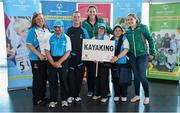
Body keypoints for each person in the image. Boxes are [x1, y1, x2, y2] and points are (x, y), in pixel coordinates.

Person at [82, 5, 113, 97]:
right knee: (91, 72)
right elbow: (83, 35)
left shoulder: (101, 21)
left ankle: (106, 90)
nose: (92, 13)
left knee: (103, 73)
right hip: (91, 50)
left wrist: (118, 32)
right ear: (88, 12)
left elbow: (109, 29)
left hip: (102, 50)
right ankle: (91, 89)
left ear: (96, 12)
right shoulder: (84, 23)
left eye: (93, 11)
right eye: (90, 11)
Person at [125, 13, 156, 105]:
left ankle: (147, 96)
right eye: (128, 20)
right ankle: (137, 95)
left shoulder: (143, 27)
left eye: (131, 19)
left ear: (136, 19)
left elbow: (150, 39)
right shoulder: (127, 31)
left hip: (142, 55)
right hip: (132, 56)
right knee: (136, 76)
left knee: (142, 76)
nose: (130, 21)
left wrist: (152, 52)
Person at [45, 20, 71, 108]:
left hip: (63, 60)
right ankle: (53, 100)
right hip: (52, 59)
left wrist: (59, 62)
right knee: (52, 81)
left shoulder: (67, 38)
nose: (57, 29)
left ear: (63, 28)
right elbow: (47, 51)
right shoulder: (50, 37)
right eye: (55, 27)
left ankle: (64, 99)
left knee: (64, 80)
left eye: (59, 27)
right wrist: (53, 63)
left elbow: (68, 52)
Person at [26, 12, 50, 105]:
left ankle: (42, 96)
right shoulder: (32, 30)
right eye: (38, 19)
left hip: (46, 59)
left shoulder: (47, 29)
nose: (40, 20)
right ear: (35, 21)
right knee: (37, 79)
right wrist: (39, 55)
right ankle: (36, 99)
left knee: (44, 78)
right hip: (36, 59)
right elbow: (29, 44)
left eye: (41, 18)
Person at [66, 11, 89, 104]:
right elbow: (65, 43)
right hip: (70, 58)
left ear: (80, 18)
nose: (76, 18)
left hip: (81, 58)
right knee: (70, 77)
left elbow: (87, 44)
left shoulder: (84, 31)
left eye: (78, 17)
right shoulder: (68, 30)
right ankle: (71, 95)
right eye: (74, 17)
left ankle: (77, 95)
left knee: (79, 78)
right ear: (72, 18)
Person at [110, 24, 131, 102]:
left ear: (122, 31)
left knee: (123, 80)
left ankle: (124, 94)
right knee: (115, 79)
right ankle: (117, 94)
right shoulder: (111, 39)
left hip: (123, 62)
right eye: (116, 30)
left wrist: (117, 57)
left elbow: (126, 50)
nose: (117, 32)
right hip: (114, 63)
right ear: (113, 32)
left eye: (119, 30)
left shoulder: (124, 39)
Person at [91, 23, 110, 103]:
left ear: (105, 30)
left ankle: (104, 95)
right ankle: (97, 93)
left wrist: (104, 58)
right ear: (97, 29)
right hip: (96, 62)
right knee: (97, 78)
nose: (101, 30)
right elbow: (90, 51)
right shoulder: (93, 38)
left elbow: (109, 50)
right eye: (100, 28)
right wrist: (93, 59)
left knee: (104, 78)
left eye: (103, 29)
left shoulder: (106, 38)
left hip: (104, 62)